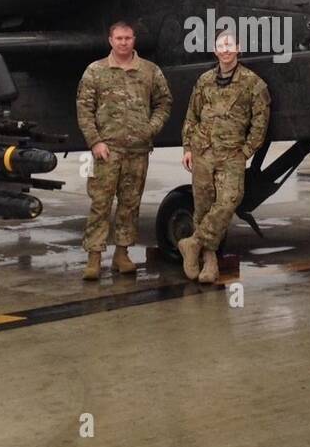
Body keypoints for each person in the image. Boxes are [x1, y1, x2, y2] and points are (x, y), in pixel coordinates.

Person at [75, 21, 172, 281]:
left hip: (138, 151)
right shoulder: (95, 71)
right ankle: (94, 257)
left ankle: (122, 254)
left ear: (134, 40)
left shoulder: (149, 71)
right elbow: (84, 109)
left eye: (128, 38)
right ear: (110, 40)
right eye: (118, 38)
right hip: (107, 150)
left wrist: (150, 129)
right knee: (100, 204)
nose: (123, 42)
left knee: (130, 204)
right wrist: (95, 142)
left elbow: (164, 103)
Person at [177, 31, 270, 283]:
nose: (226, 49)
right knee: (203, 207)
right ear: (215, 50)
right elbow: (191, 116)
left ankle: (193, 243)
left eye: (230, 44)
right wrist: (187, 147)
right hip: (203, 151)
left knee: (230, 199)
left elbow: (260, 122)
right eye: (221, 45)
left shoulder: (253, 83)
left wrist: (247, 150)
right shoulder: (204, 81)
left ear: (238, 48)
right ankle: (209, 261)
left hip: (232, 154)